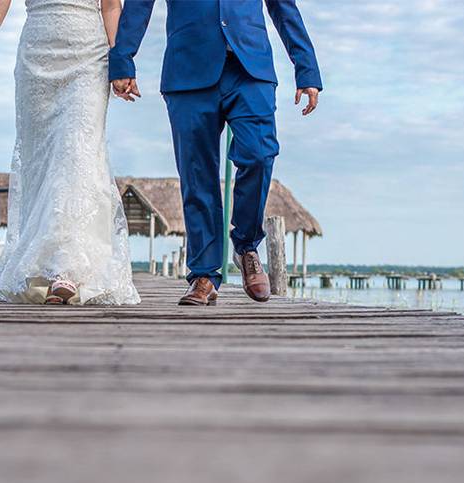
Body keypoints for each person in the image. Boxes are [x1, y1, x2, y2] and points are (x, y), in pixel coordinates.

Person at [110, 0, 322, 306]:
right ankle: (205, 275)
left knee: (260, 154)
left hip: (250, 69)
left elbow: (283, 7)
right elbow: (139, 5)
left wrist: (307, 68)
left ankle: (246, 245)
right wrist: (123, 60)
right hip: (188, 70)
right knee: (197, 175)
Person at [0, 0, 140, 305]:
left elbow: (111, 6)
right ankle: (41, 270)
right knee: (40, 162)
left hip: (89, 57)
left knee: (77, 154)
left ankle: (67, 270)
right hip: (36, 57)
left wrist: (120, 63)